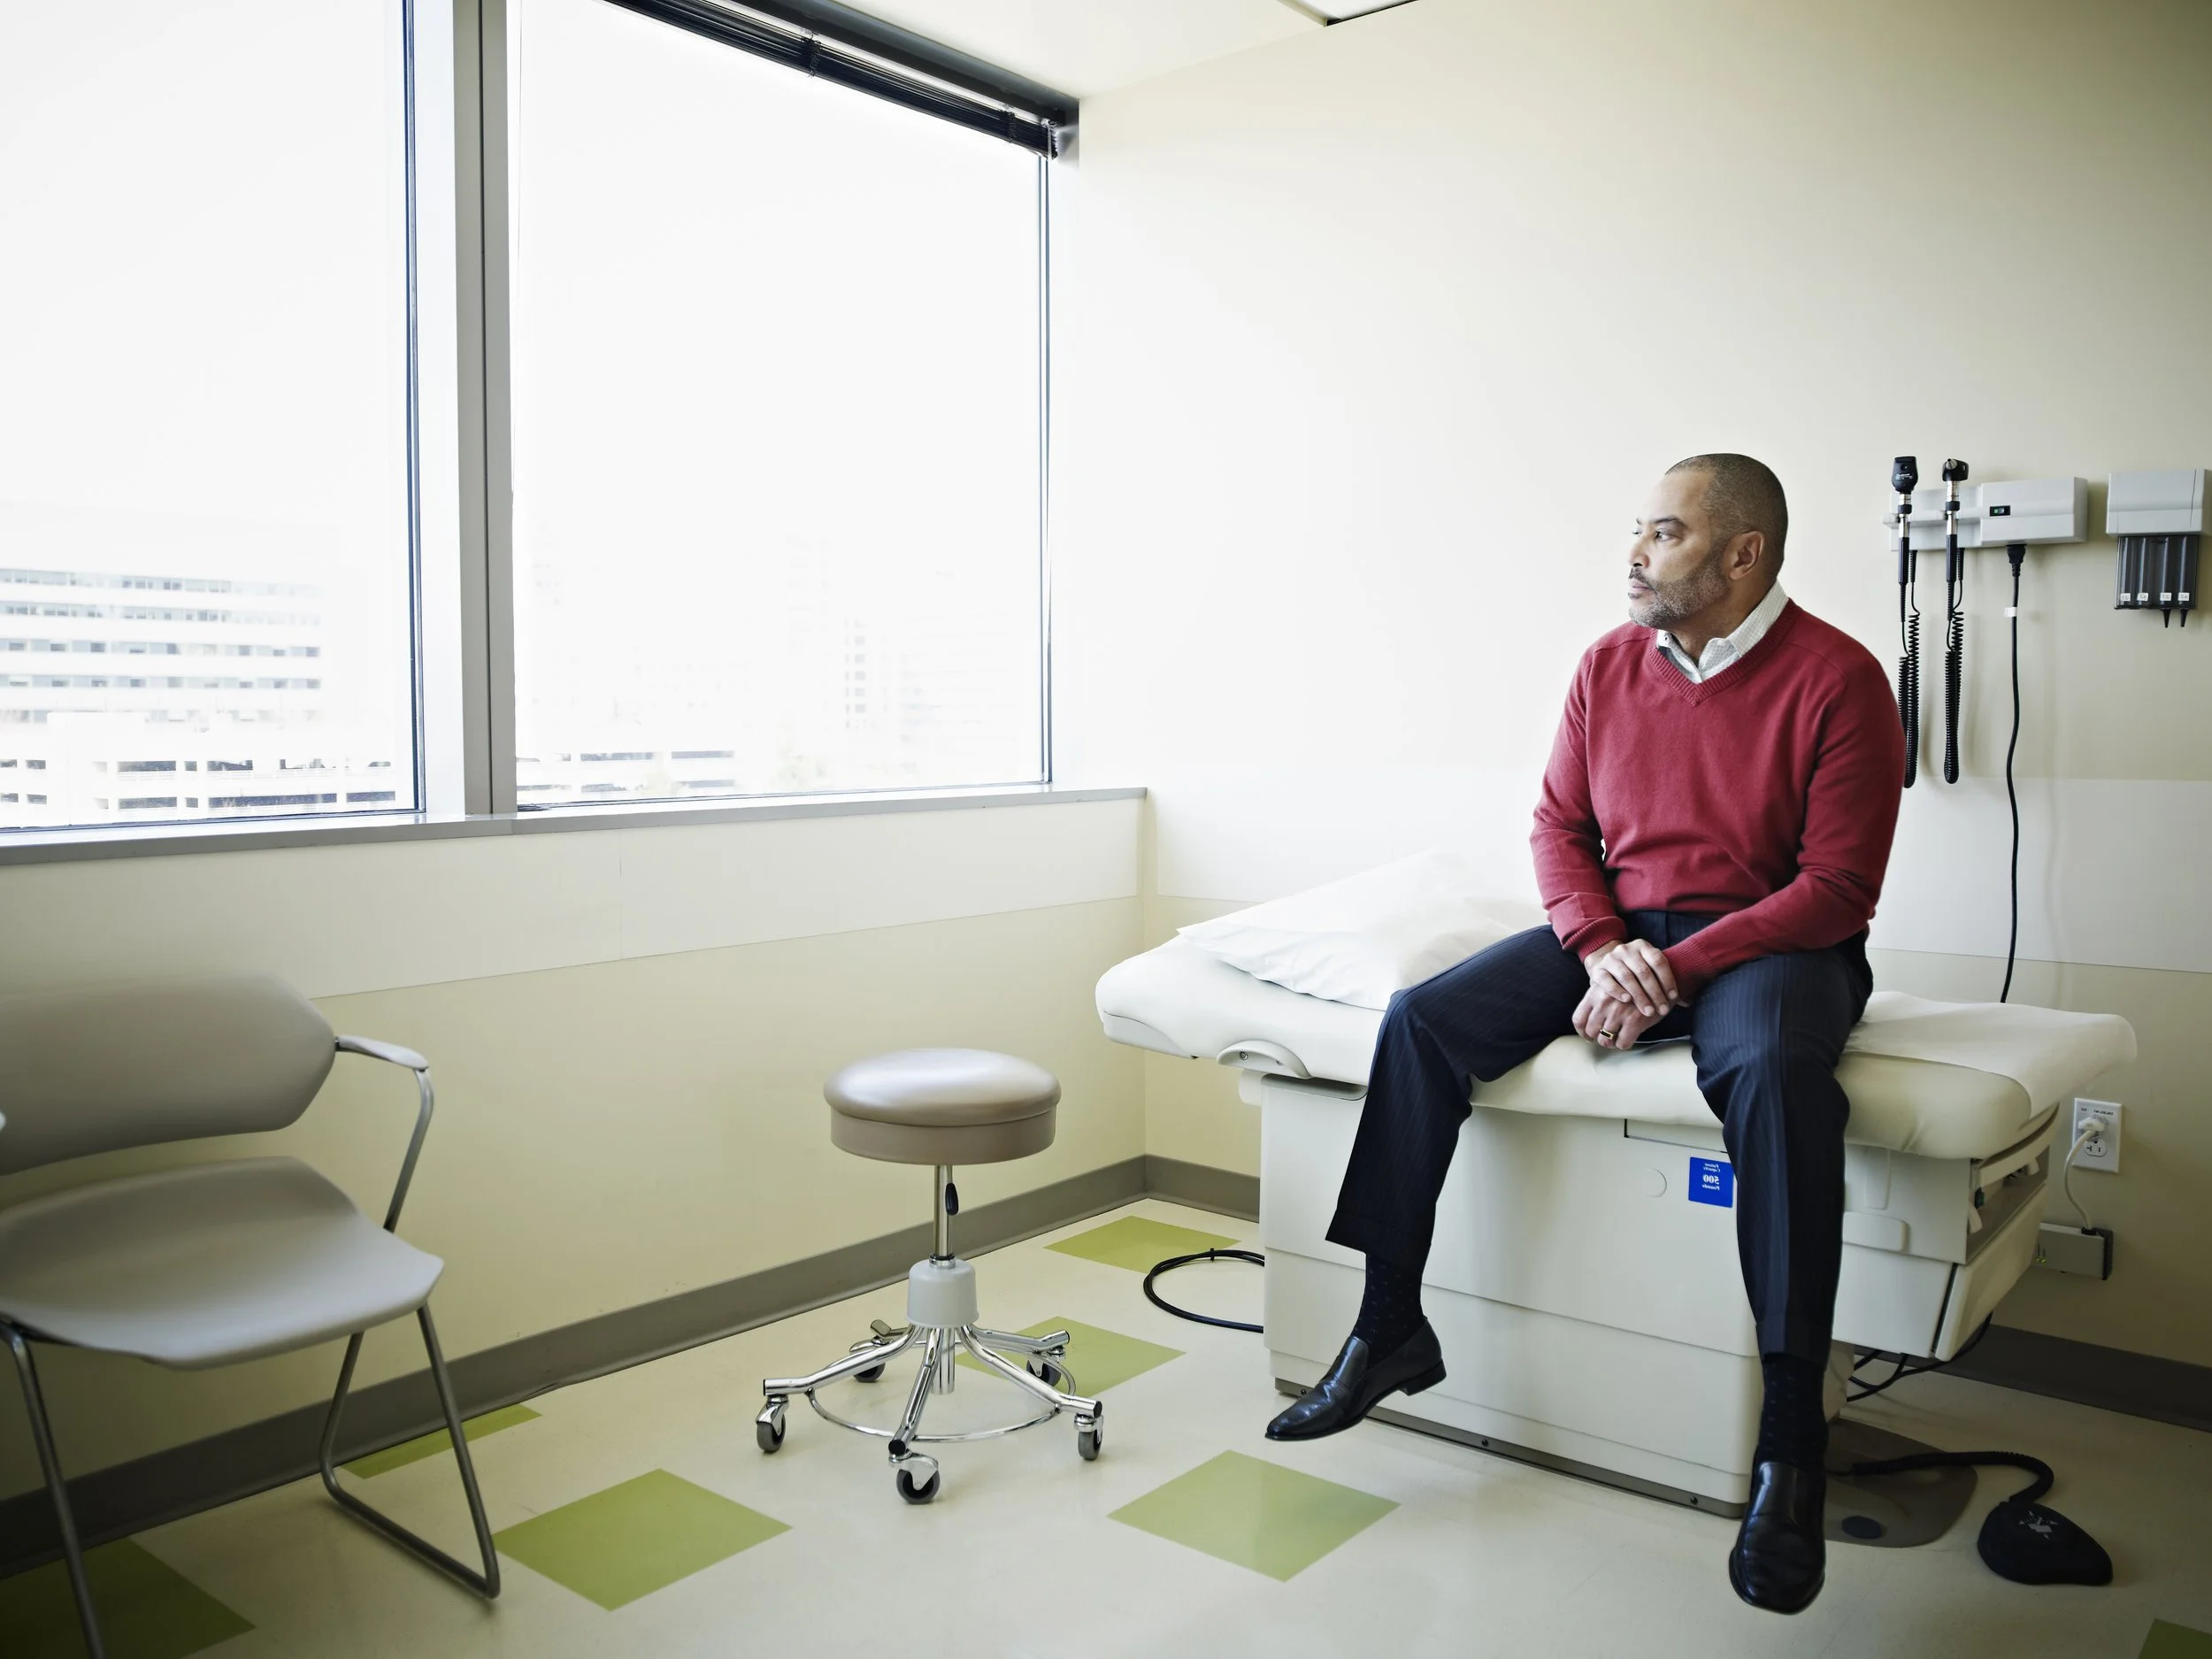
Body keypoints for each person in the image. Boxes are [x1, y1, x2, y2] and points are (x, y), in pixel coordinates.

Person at [1263, 454, 1906, 1615]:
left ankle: (1790, 1438)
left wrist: (1675, 969)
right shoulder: (1608, 665)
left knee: (1772, 1071)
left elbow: (1837, 888)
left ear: (1743, 553)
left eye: (1665, 533)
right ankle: (1389, 1323)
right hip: (1626, 930)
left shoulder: (1840, 677)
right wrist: (1606, 945)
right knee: (1424, 1021)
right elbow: (1559, 828)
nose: (1637, 554)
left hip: (1776, 946)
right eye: (1639, 531)